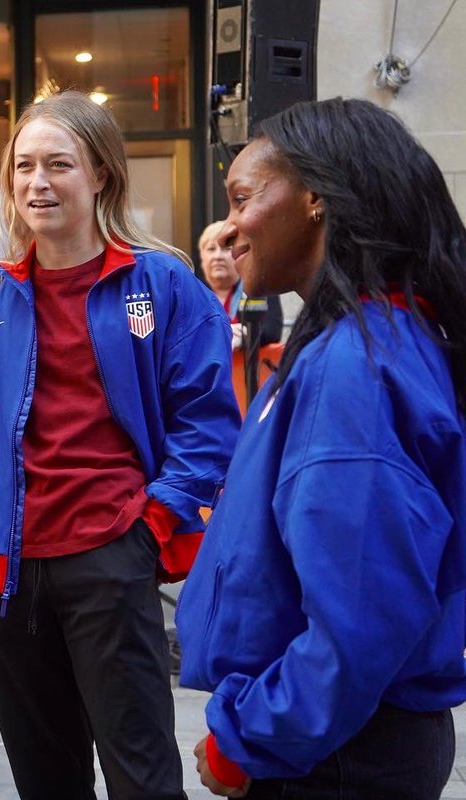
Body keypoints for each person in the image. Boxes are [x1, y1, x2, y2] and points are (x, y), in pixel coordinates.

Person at [0, 90, 241, 800]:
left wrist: (150, 525)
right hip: (6, 573)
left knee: (143, 776)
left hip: (111, 555)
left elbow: (210, 425)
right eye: (24, 166)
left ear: (100, 173)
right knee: (46, 780)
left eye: (59, 164)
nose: (38, 182)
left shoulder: (160, 285)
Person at [177, 98, 466, 799]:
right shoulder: (367, 342)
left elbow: (361, 616)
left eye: (243, 197)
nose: (229, 227)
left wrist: (248, 742)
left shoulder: (354, 364)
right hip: (348, 738)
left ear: (314, 198)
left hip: (335, 751)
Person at [198, 219, 282, 349]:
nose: (217, 256)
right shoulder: (194, 293)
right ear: (202, 258)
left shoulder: (258, 289)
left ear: (239, 255)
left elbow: (272, 331)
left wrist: (246, 336)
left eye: (226, 249)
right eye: (211, 249)